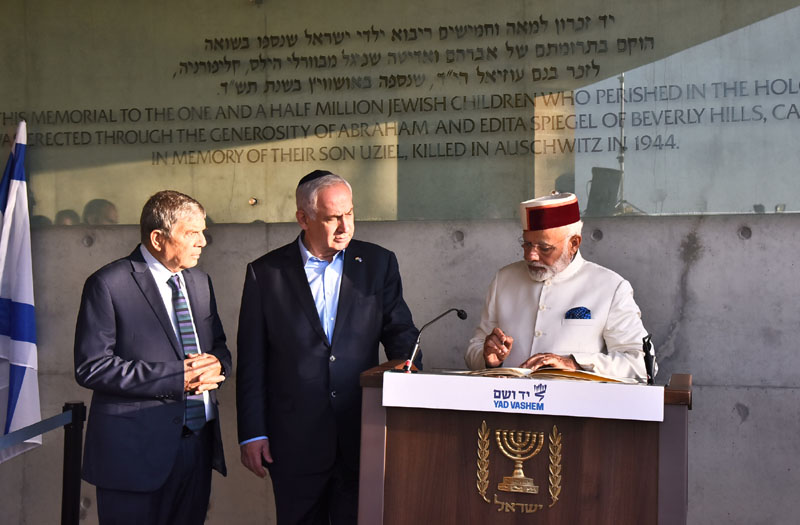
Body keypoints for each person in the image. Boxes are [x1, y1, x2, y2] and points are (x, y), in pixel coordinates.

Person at [236, 170, 418, 524]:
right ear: (303, 218)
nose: (344, 226)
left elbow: (400, 330)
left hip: (360, 435)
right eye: (332, 217)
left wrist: (408, 366)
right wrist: (252, 432)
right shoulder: (266, 273)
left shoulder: (378, 263)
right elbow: (252, 360)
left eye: (349, 214)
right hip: (293, 441)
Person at [74, 190, 231, 525]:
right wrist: (177, 378)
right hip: (134, 455)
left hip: (196, 447)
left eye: (202, 231)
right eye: (192, 233)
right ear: (158, 238)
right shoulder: (108, 284)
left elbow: (219, 347)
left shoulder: (201, 283)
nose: (202, 241)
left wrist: (218, 364)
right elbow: (91, 367)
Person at [465, 192, 652, 380]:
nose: (531, 256)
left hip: (575, 408)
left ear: (574, 244)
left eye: (544, 248)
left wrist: (574, 363)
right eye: (527, 244)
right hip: (506, 404)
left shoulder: (611, 287)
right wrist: (487, 358)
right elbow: (475, 349)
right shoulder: (504, 280)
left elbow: (641, 364)